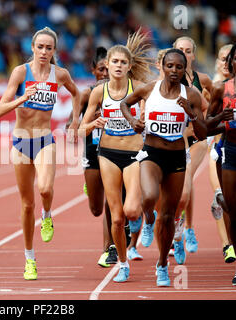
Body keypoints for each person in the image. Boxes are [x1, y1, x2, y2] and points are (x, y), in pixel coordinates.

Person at [0, 27, 81, 280]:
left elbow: (77, 94)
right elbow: (0, 110)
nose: (44, 52)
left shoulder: (60, 74)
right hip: (21, 142)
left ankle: (47, 215)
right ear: (32, 47)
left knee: (44, 189)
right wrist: (22, 98)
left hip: (45, 139)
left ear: (54, 51)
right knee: (26, 204)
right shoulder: (21, 72)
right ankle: (29, 260)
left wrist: (75, 121)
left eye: (49, 48)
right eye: (40, 47)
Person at [120, 48, 206, 286]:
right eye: (170, 66)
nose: (175, 71)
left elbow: (203, 133)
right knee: (149, 197)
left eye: (179, 67)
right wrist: (133, 121)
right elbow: (124, 104)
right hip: (152, 152)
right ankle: (148, 219)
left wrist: (192, 114)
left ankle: (161, 265)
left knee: (168, 217)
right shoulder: (150, 89)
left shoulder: (192, 95)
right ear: (163, 67)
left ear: (184, 70)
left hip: (177, 156)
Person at [79, 30, 153, 282]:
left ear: (129, 66)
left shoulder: (139, 89)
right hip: (107, 155)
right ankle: (122, 263)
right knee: (116, 215)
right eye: (114, 62)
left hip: (133, 154)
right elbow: (78, 129)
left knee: (132, 210)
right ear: (107, 66)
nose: (118, 66)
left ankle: (139, 220)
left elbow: (147, 118)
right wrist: (92, 125)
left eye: (123, 62)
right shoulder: (99, 93)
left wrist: (142, 122)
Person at [206, 40, 236, 285]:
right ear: (231, 63)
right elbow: (205, 127)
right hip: (231, 153)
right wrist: (219, 118)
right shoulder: (219, 89)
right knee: (234, 214)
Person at [66, 47, 116, 267]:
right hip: (93, 153)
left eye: (109, 69)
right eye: (101, 69)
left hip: (115, 152)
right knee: (96, 209)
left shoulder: (121, 92)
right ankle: (90, 185)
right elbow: (71, 126)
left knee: (112, 203)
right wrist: (88, 121)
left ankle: (109, 249)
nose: (106, 73)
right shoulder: (87, 94)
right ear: (93, 70)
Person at [172, 36, 213, 255]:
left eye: (188, 51)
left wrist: (201, 123)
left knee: (185, 179)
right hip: (173, 140)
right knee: (178, 187)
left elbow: (212, 105)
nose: (184, 54)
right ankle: (177, 228)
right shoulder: (164, 79)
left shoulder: (202, 79)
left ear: (193, 55)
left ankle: (187, 229)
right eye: (180, 49)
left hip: (196, 140)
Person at [208, 44, 236, 264]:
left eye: (230, 58)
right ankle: (229, 246)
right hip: (217, 150)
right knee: (221, 198)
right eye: (222, 58)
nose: (225, 62)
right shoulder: (212, 86)